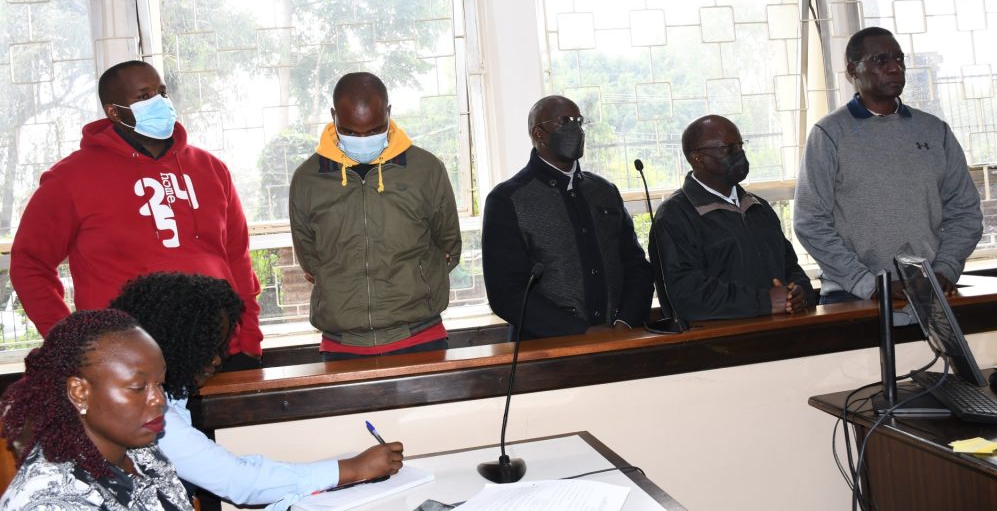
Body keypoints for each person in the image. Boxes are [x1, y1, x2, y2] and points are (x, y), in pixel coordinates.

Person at [9, 60, 263, 366]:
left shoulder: (211, 169)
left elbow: (238, 258)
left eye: (162, 92)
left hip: (220, 352)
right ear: (114, 112)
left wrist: (249, 338)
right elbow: (29, 264)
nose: (159, 102)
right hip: (127, 362)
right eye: (143, 97)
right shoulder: (70, 178)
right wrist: (71, 344)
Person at [109, 273, 403, 510]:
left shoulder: (171, 394)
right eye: (207, 348)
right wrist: (352, 468)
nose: (216, 359)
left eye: (220, 347)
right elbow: (238, 481)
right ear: (171, 345)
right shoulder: (146, 413)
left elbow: (229, 467)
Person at [794, 27, 983, 303]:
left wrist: (944, 270)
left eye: (899, 59)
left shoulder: (934, 131)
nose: (895, 68)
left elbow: (965, 212)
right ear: (852, 70)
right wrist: (868, 284)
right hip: (853, 295)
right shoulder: (829, 134)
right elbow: (809, 222)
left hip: (928, 293)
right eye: (880, 60)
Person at [289, 72, 461, 360]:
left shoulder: (426, 169)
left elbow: (449, 246)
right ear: (334, 117)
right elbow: (310, 259)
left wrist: (417, 281)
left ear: (389, 113)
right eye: (351, 132)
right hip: (342, 345)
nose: (363, 139)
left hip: (420, 337)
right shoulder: (307, 179)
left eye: (373, 130)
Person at [482, 95, 653, 339]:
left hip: (618, 338)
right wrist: (580, 331)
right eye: (564, 122)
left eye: (579, 122)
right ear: (538, 133)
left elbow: (636, 266)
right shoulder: (507, 199)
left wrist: (626, 321)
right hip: (547, 349)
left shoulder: (604, 191)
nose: (576, 129)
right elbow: (506, 292)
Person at [0, 309, 193, 510]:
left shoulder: (141, 454)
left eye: (160, 383)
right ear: (79, 393)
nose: (159, 399)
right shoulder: (54, 503)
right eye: (138, 387)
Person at [651, 115, 814, 321]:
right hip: (717, 344)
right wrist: (764, 301)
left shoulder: (759, 207)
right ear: (697, 158)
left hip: (783, 335)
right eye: (728, 149)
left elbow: (790, 265)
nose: (738, 154)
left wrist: (799, 293)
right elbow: (686, 293)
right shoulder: (675, 216)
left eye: (739, 146)